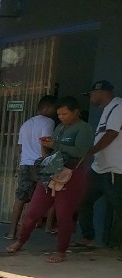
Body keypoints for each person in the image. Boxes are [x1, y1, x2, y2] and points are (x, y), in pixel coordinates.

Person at [7, 96, 94, 262]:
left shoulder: (84, 129)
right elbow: (53, 150)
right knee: (33, 211)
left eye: (65, 114)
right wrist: (45, 148)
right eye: (59, 114)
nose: (61, 117)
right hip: (51, 172)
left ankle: (61, 251)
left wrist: (54, 145)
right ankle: (20, 240)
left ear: (76, 112)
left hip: (71, 174)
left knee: (63, 214)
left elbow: (80, 151)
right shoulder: (60, 127)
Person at [76, 80, 122, 250]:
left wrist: (91, 151)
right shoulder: (106, 110)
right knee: (82, 199)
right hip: (99, 169)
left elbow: (112, 133)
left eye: (91, 94)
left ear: (101, 92)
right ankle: (88, 237)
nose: (90, 98)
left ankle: (116, 245)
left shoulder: (118, 106)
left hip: (114, 169)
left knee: (119, 207)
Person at [6, 96, 56, 239]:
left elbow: (20, 147)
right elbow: (45, 142)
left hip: (25, 163)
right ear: (48, 107)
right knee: (50, 194)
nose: (55, 112)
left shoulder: (25, 124)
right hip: (40, 163)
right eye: (54, 108)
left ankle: (12, 231)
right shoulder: (48, 122)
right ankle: (47, 227)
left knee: (21, 197)